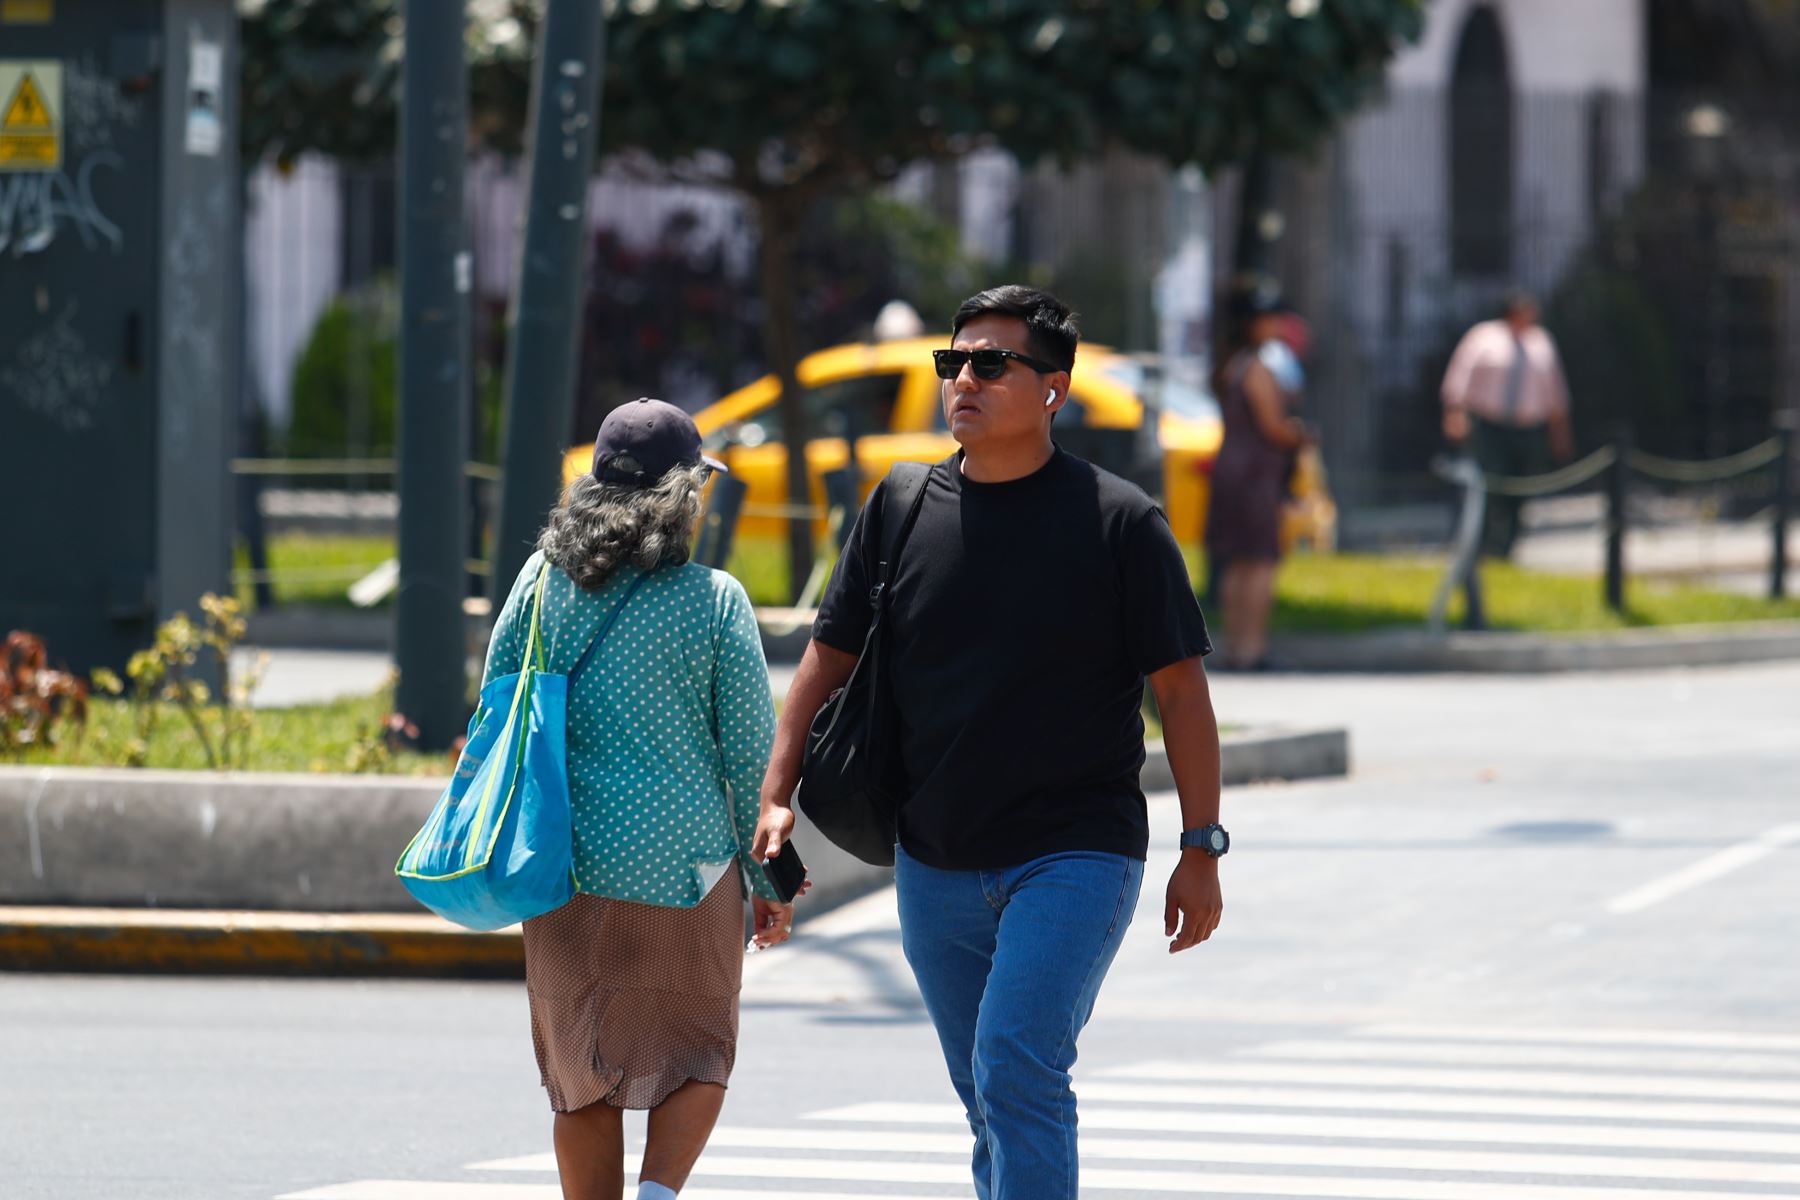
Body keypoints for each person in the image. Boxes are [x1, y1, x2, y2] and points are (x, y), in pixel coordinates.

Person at [754, 286, 1227, 1200]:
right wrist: (776, 795)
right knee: (987, 1095)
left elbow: (1183, 693)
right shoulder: (898, 505)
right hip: (934, 859)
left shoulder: (1120, 522)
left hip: (1075, 850)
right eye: (953, 362)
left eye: (990, 364)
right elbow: (824, 664)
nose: (962, 379)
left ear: (1053, 389)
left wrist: (1200, 846)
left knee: (1016, 1068)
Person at [483, 397, 801, 1200]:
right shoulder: (716, 600)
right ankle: (659, 1194)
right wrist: (773, 883)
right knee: (700, 1051)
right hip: (685, 875)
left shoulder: (539, 582)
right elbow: (753, 762)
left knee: (581, 1071)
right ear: (683, 496)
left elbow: (494, 706)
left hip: (563, 868)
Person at [1205, 287, 1312, 671]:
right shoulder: (1258, 367)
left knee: (1238, 563)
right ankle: (1251, 649)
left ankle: (1238, 647)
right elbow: (1273, 427)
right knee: (1261, 561)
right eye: (1270, 318)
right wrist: (1300, 434)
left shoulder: (1233, 362)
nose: (1278, 325)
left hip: (1234, 467)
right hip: (1254, 473)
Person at [1440, 290, 1575, 557]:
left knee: (1519, 488)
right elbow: (1459, 378)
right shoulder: (1483, 337)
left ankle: (1508, 547)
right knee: (1488, 484)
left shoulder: (1541, 342)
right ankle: (1482, 545)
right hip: (1492, 426)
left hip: (1528, 428)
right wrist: (1454, 414)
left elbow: (1556, 394)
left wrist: (1560, 434)